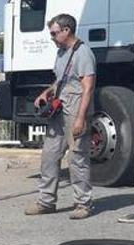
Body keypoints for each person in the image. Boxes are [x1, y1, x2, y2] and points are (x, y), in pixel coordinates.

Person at [26, 13, 97, 220]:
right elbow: (61, 79)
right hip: (60, 106)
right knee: (49, 154)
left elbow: (88, 87)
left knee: (77, 157)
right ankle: (46, 201)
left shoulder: (83, 53)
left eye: (54, 33)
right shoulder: (61, 53)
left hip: (76, 107)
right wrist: (47, 92)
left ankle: (83, 203)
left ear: (67, 31)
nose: (52, 37)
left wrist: (80, 118)